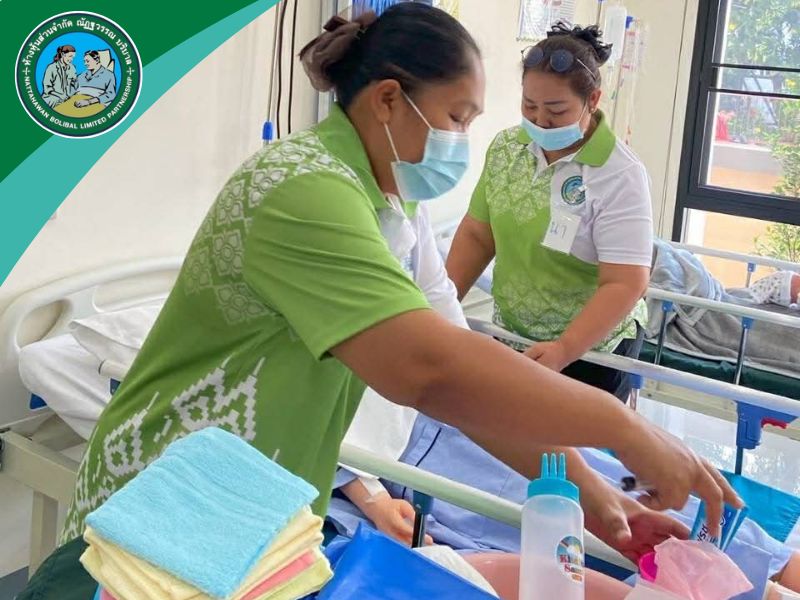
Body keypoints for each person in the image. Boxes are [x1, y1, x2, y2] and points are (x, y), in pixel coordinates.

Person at [19, 6, 738, 597]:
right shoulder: (301, 187)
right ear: (390, 99)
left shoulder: (395, 210)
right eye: (456, 117)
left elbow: (466, 377)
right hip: (162, 504)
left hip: (258, 511)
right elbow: (427, 370)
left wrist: (594, 499)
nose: (463, 140)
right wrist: (624, 428)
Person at [446, 23, 652, 402]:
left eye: (556, 110)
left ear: (593, 100)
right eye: (529, 106)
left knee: (570, 438)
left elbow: (625, 282)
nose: (540, 121)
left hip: (592, 348)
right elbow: (477, 235)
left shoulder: (619, 173)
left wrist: (565, 348)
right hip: (514, 334)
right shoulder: (507, 148)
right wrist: (439, 305)